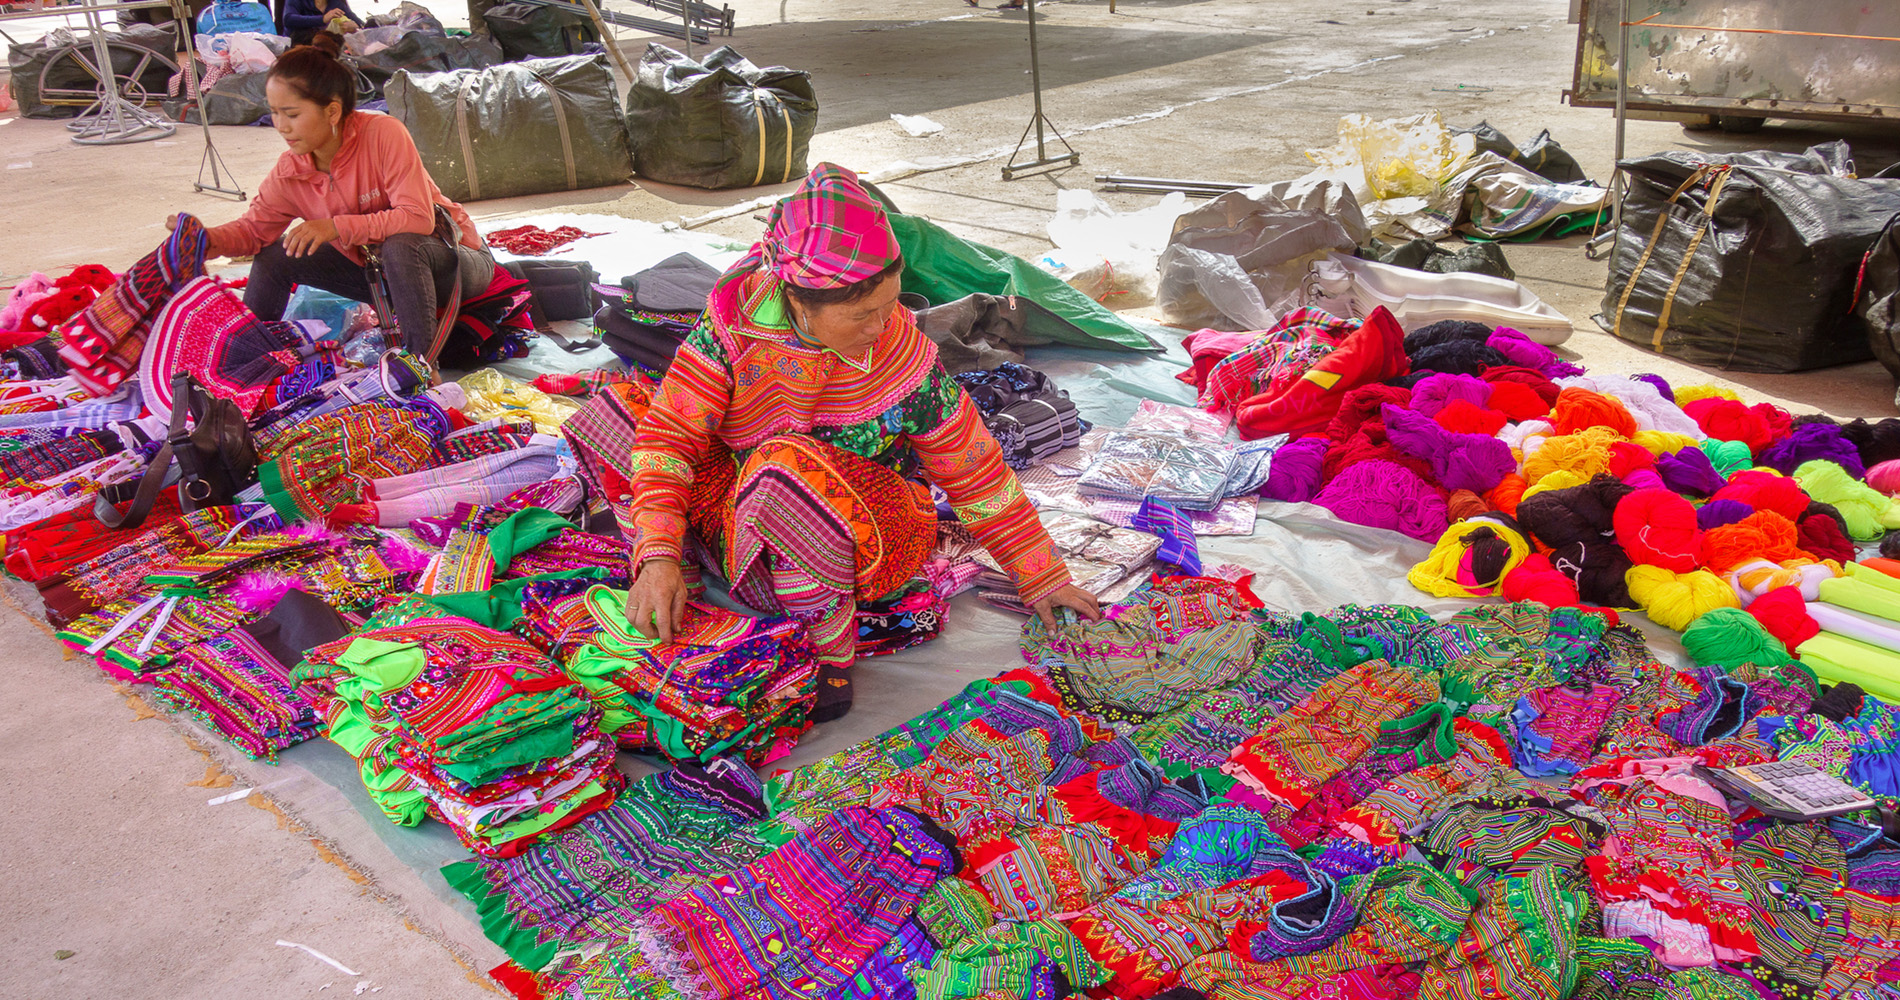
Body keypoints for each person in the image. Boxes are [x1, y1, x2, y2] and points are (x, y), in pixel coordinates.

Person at [622, 163, 1101, 723]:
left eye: (892, 304)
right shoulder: (735, 324)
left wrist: (1044, 577)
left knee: (784, 470)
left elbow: (976, 473)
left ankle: (828, 654)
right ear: (798, 302)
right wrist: (655, 553)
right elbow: (671, 434)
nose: (885, 326)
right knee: (624, 414)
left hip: (870, 536)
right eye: (862, 314)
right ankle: (692, 566)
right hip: (747, 508)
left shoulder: (903, 359)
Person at [175, 36, 494, 368]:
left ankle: (419, 368)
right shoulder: (290, 172)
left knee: (402, 245)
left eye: (292, 114)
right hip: (382, 278)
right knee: (275, 256)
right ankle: (246, 363)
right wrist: (204, 240)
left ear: (332, 111)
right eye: (274, 113)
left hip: (455, 263)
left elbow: (418, 219)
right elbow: (252, 232)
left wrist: (336, 227)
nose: (281, 126)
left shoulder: (383, 134)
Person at [280, 0, 361, 45]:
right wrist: (323, 19)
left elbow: (360, 24)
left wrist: (355, 27)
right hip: (298, 48)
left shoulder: (336, 3)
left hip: (325, 49)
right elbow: (288, 19)